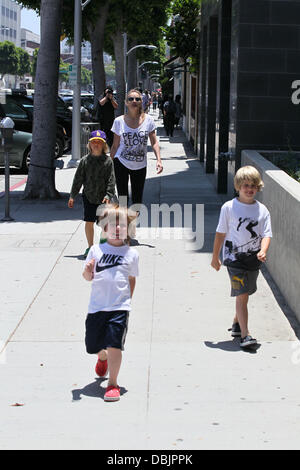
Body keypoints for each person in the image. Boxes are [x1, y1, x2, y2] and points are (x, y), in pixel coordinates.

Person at [211, 166, 272, 348]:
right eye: (245, 185)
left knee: (245, 294)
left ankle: (237, 324)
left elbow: (266, 234)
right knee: (243, 294)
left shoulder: (262, 210)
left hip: (253, 260)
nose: (249, 188)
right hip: (234, 260)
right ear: (238, 186)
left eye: (253, 185)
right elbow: (220, 233)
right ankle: (246, 336)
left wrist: (263, 250)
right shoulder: (229, 207)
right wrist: (215, 257)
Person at [83, 204, 139, 402]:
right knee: (92, 344)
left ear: (128, 230)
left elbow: (132, 279)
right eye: (112, 225)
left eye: (122, 225)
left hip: (119, 308)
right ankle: (102, 356)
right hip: (97, 307)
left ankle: (113, 384)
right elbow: (87, 278)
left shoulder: (132, 254)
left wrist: (127, 300)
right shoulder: (95, 250)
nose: (117, 228)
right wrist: (89, 270)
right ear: (104, 228)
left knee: (115, 345)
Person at [110, 89, 163, 209]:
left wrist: (158, 160)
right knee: (123, 199)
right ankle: (125, 225)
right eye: (131, 99)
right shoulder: (119, 121)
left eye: (137, 99)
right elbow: (115, 145)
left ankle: (132, 223)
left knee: (137, 202)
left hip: (140, 164)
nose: (134, 101)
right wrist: (108, 163)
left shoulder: (148, 120)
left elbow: (154, 142)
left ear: (142, 101)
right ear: (126, 102)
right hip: (121, 162)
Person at [68, 130, 115, 258]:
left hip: (103, 198)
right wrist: (72, 195)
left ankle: (103, 247)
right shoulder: (84, 161)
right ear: (89, 144)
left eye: (99, 142)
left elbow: (111, 180)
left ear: (104, 145)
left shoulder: (108, 161)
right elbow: (78, 179)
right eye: (93, 142)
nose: (96, 144)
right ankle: (90, 247)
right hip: (88, 196)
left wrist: (109, 195)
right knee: (89, 222)